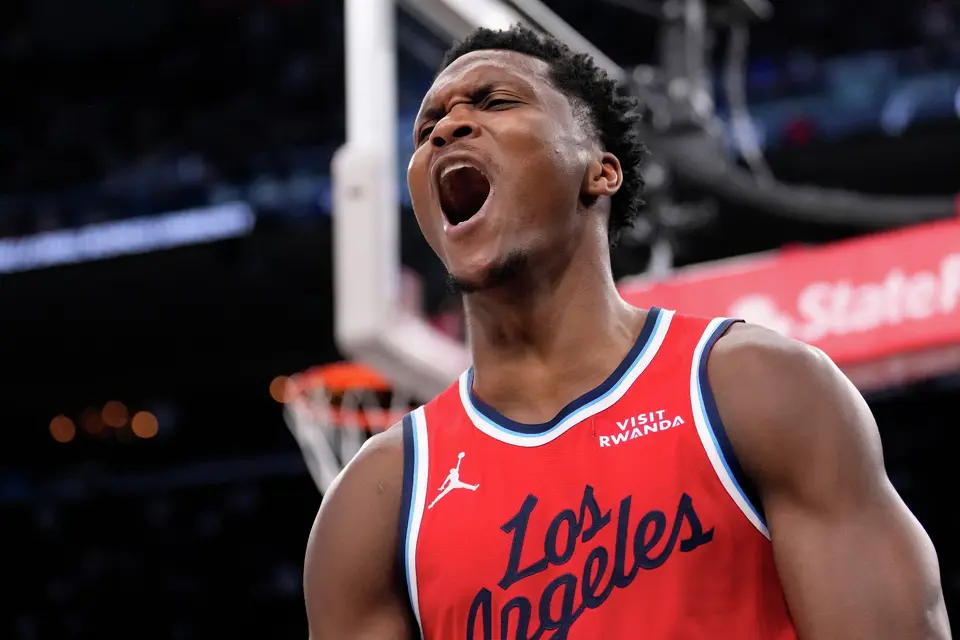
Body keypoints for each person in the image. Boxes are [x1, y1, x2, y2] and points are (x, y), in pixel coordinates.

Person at [304, 24, 950, 639]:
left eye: (495, 101)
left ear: (600, 170)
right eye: (427, 127)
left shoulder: (756, 388)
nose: (448, 128)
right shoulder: (377, 500)